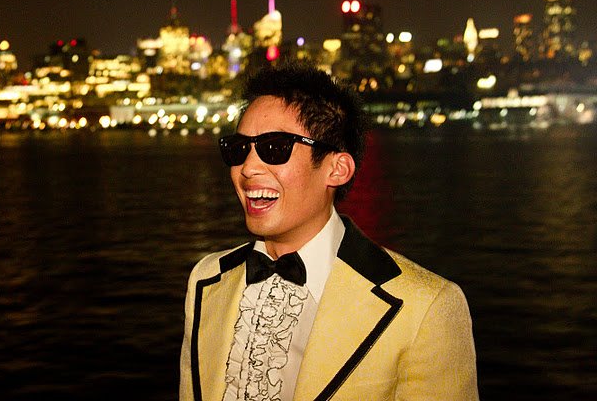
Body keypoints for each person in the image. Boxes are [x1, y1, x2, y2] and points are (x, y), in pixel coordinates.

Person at [179, 64, 479, 401]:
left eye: (274, 148)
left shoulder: (426, 306)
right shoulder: (207, 279)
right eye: (238, 148)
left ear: (337, 169)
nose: (247, 168)